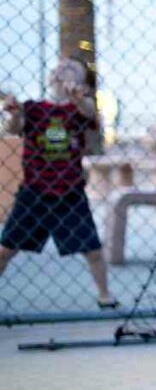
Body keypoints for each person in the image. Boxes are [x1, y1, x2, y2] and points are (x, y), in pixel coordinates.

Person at [0, 57, 118, 309]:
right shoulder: (33, 108)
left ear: (81, 83)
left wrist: (79, 99)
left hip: (70, 193)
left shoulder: (78, 109)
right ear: (49, 78)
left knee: (93, 251)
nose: (63, 72)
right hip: (34, 192)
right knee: (5, 249)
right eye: (59, 69)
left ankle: (105, 295)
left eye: (72, 70)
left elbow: (90, 114)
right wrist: (14, 113)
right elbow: (14, 128)